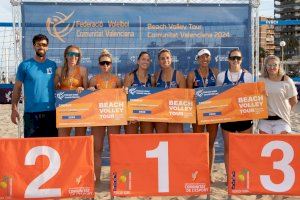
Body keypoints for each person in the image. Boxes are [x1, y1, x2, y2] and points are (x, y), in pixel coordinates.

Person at [11, 34, 58, 138]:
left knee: (50, 148)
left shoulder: (53, 65)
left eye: (44, 44)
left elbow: (59, 87)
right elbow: (17, 88)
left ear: (47, 47)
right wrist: (14, 108)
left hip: (50, 113)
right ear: (33, 46)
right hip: (31, 114)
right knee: (31, 149)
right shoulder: (25, 65)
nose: (41, 47)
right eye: (38, 44)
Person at [216, 49, 253, 176]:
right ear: (228, 60)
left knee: (245, 149)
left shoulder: (248, 76)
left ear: (241, 60)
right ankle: (230, 177)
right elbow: (217, 96)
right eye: (233, 58)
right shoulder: (221, 76)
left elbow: (252, 96)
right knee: (229, 149)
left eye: (238, 58)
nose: (235, 60)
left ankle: (244, 176)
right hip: (228, 117)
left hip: (244, 117)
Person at [88, 49, 122, 184]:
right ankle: (96, 180)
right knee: (97, 149)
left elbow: (123, 97)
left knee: (115, 149)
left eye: (108, 63)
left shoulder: (117, 79)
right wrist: (88, 91)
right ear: (99, 64)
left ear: (111, 64)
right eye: (103, 63)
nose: (105, 66)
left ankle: (115, 181)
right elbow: (86, 99)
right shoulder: (93, 80)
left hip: (113, 116)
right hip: (98, 116)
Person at [187, 49, 219, 174]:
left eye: (207, 57)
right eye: (202, 57)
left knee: (210, 144)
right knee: (198, 144)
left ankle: (209, 173)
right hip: (197, 114)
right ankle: (199, 171)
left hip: (212, 113)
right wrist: (192, 97)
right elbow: (188, 95)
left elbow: (222, 91)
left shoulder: (215, 72)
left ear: (210, 58)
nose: (204, 59)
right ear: (198, 59)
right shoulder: (192, 75)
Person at [54, 45, 88, 137]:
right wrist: (58, 88)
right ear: (66, 56)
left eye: (76, 54)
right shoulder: (60, 70)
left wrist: (83, 89)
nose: (73, 57)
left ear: (79, 57)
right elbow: (52, 88)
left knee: (80, 139)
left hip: (79, 107)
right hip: (64, 108)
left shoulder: (83, 70)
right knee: (63, 139)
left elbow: (87, 90)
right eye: (70, 54)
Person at [258, 55, 298, 134]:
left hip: (282, 120)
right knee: (266, 145)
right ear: (265, 67)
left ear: (279, 66)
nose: (272, 67)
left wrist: (286, 110)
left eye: (275, 65)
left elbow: (294, 100)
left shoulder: (286, 80)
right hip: (264, 121)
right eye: (269, 65)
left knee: (281, 144)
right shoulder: (260, 80)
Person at [153, 48, 186, 133]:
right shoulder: (156, 76)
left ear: (171, 59)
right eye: (162, 58)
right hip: (160, 114)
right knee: (162, 141)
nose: (165, 60)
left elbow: (184, 97)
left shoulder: (179, 75)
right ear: (158, 61)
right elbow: (152, 96)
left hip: (175, 114)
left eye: (167, 58)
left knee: (176, 142)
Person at [124, 51, 154, 134]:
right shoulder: (130, 76)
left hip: (147, 114)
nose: (145, 61)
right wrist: (130, 115)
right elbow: (125, 97)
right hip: (132, 114)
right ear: (138, 61)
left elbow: (154, 98)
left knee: (147, 141)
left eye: (148, 60)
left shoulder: (152, 78)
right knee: (131, 141)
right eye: (143, 59)